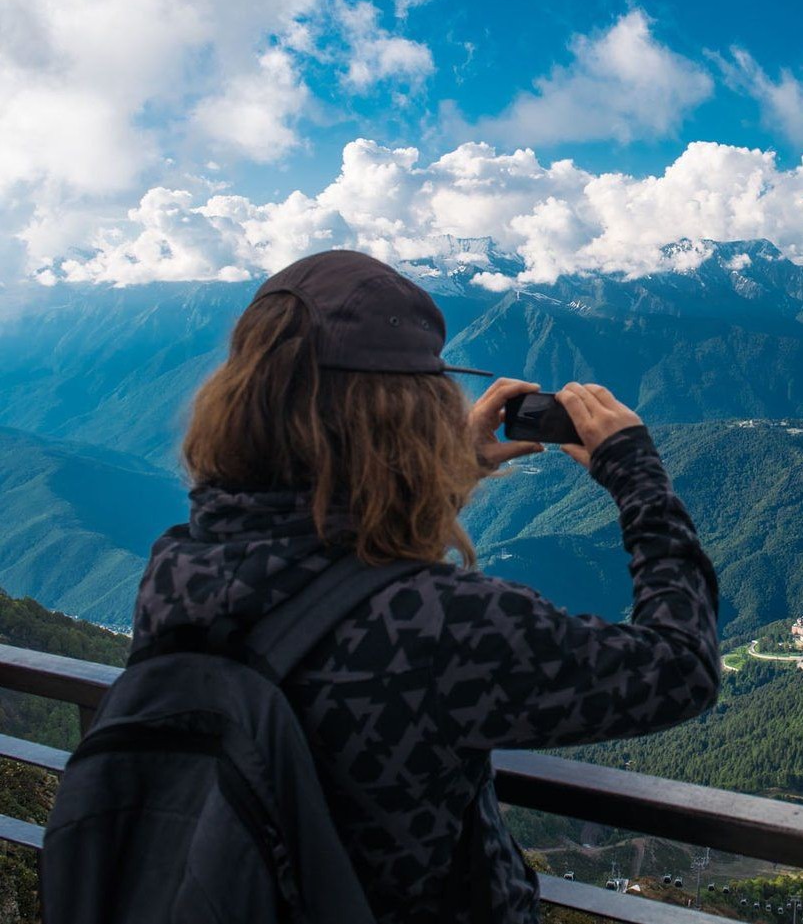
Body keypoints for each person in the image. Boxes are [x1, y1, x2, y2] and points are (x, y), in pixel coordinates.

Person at [130, 248, 720, 924]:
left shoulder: (177, 570)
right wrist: (637, 477)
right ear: (408, 420)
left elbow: (323, 584)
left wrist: (437, 484)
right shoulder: (446, 626)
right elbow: (680, 667)